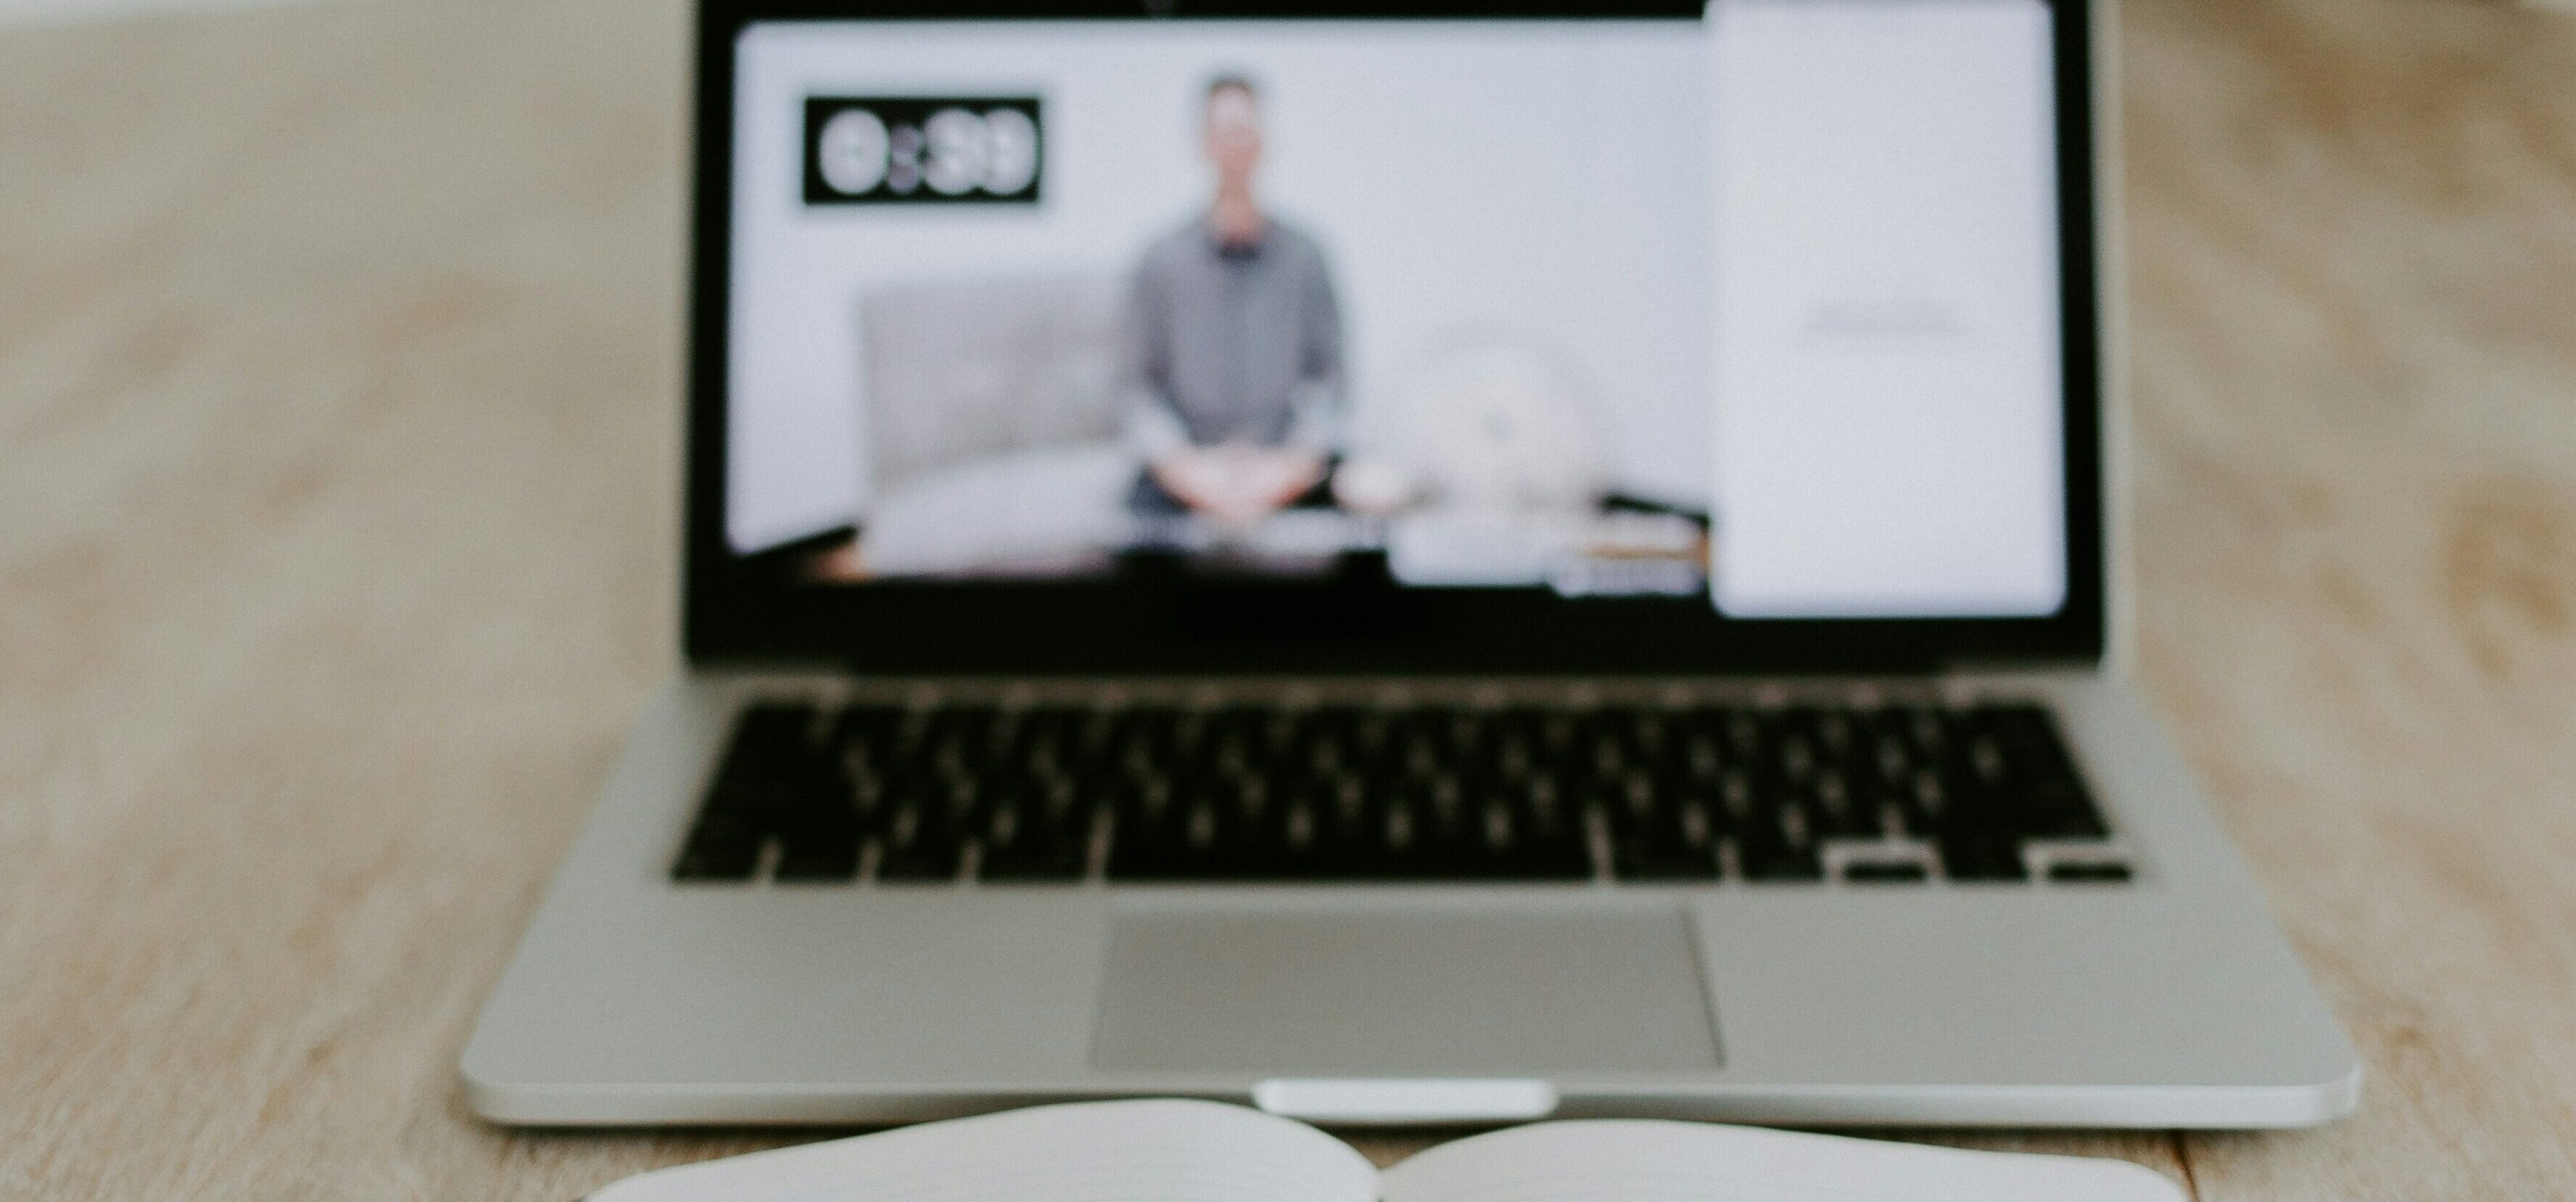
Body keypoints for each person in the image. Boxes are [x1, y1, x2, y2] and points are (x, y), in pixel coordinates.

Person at [1123, 74, 1346, 524]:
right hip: (1190, 466)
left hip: (1284, 463)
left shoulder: (1306, 258)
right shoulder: (1160, 261)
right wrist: (1186, 469)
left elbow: (1332, 383)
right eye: (1223, 131)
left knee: (1362, 527)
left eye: (1245, 130)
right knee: (1135, 525)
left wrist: (1290, 467)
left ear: (1264, 141)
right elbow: (1138, 390)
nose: (1235, 144)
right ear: (1203, 143)